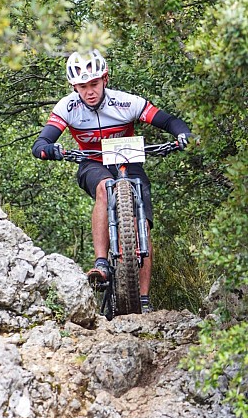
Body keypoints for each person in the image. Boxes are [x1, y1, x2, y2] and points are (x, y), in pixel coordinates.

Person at [32, 49, 191, 313]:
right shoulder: (67, 107)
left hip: (128, 159)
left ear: (105, 79)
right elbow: (42, 141)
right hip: (92, 162)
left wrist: (182, 134)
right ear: (74, 87)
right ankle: (101, 262)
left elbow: (168, 120)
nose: (89, 91)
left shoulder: (126, 102)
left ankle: (143, 298)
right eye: (82, 86)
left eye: (94, 83)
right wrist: (48, 149)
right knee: (105, 188)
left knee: (143, 220)